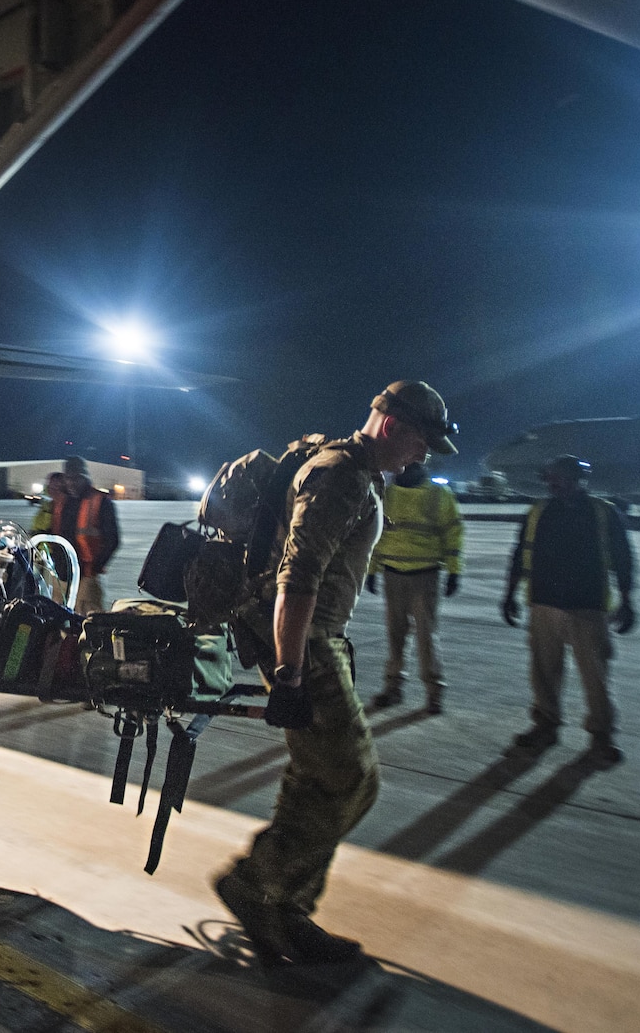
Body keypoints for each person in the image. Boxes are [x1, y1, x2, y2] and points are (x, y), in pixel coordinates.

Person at [215, 380, 459, 966]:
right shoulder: (343, 476)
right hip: (306, 646)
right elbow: (296, 578)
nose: (424, 456)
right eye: (423, 442)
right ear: (393, 426)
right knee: (352, 776)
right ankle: (262, 886)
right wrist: (291, 673)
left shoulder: (354, 472)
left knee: (316, 776)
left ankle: (281, 902)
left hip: (316, 642)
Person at [501, 454, 635, 765]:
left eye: (559, 477)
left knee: (596, 676)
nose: (552, 483)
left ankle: (602, 734)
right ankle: (546, 724)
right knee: (544, 672)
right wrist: (508, 596)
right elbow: (520, 555)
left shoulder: (603, 513)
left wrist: (627, 600)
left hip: (587, 607)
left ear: (578, 479)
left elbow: (624, 559)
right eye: (549, 478)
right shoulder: (538, 512)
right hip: (543, 604)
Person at [364, 460, 464, 714]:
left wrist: (454, 570)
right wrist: (372, 570)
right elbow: (377, 535)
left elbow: (453, 534)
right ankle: (394, 688)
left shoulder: (438, 494)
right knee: (395, 635)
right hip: (393, 574)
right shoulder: (386, 494)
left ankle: (434, 691)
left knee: (426, 636)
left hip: (425, 575)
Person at [51, 457, 119, 613]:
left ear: (85, 477)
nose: (72, 483)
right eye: (69, 478)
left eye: (77, 478)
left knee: (88, 622)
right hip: (61, 575)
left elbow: (113, 540)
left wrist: (94, 568)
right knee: (57, 623)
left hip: (86, 576)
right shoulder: (61, 501)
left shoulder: (101, 502)